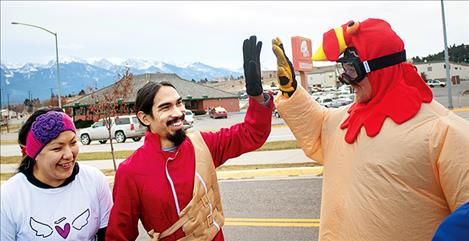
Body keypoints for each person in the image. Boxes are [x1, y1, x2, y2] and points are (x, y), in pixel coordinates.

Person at [272, 18, 469, 241]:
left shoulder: (441, 131)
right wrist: (291, 91)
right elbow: (318, 127)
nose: (347, 80)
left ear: (380, 69)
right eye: (342, 69)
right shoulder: (347, 117)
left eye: (351, 70)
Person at [106, 35, 273, 241]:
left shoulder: (202, 145)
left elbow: (252, 134)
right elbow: (119, 235)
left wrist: (256, 95)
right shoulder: (130, 172)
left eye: (179, 103)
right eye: (166, 107)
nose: (178, 112)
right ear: (145, 117)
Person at [1, 109, 113, 241]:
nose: (69, 155)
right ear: (34, 154)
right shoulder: (9, 196)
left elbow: (107, 234)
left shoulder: (94, 180)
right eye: (57, 148)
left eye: (73, 142)